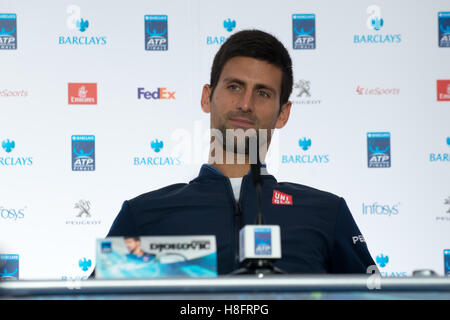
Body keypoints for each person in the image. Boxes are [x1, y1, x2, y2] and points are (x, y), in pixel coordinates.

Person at [105, 29, 376, 275]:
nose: (245, 104)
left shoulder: (327, 213)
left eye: (263, 93)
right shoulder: (143, 214)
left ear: (283, 113)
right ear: (206, 97)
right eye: (234, 87)